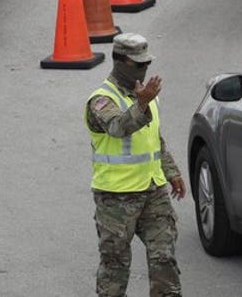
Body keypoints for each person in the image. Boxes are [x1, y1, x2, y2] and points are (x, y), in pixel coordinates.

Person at [86, 33, 185, 297]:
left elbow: (154, 140)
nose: (143, 69)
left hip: (153, 191)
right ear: (119, 61)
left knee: (164, 257)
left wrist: (171, 171)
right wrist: (142, 103)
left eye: (146, 64)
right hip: (116, 198)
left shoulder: (147, 94)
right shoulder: (101, 99)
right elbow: (118, 128)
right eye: (137, 64)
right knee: (115, 265)